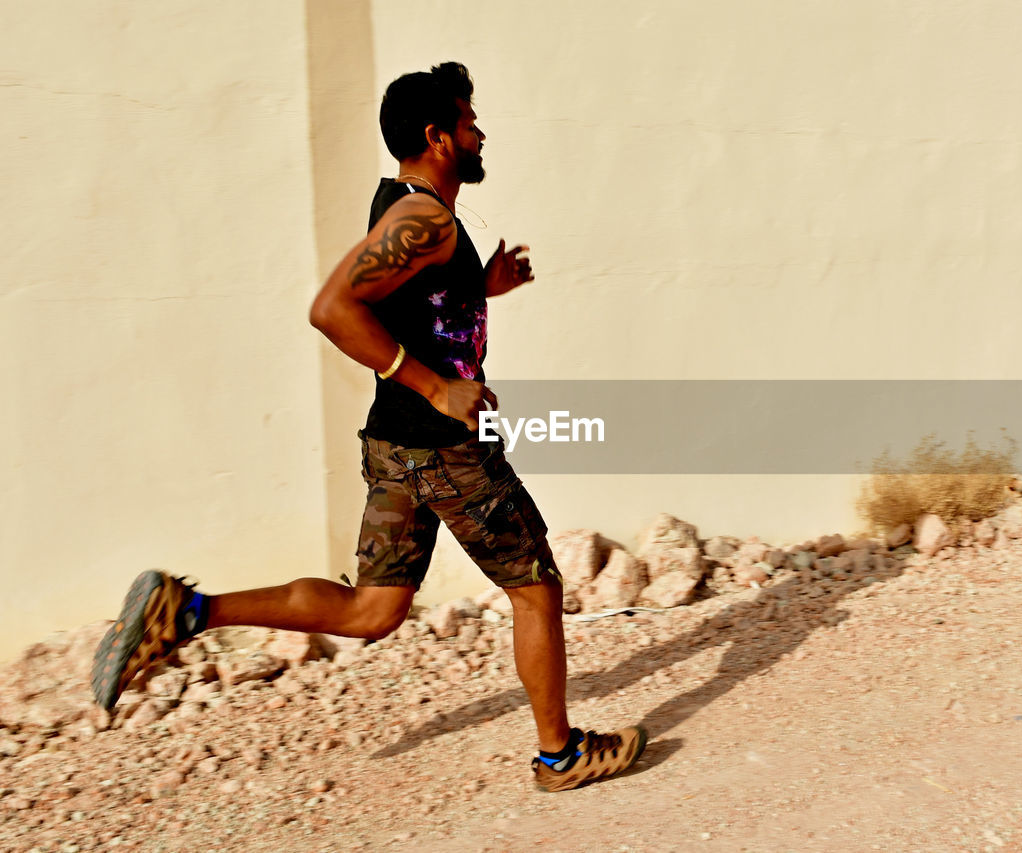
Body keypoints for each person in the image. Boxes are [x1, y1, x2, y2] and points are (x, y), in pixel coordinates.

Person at [90, 62, 645, 793]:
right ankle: (559, 752)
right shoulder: (424, 220)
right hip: (445, 448)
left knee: (373, 608)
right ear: (437, 136)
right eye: (469, 119)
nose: (480, 132)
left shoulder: (409, 211)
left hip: (396, 447)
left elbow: (413, 300)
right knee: (535, 586)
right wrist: (436, 386)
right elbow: (332, 310)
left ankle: (187, 608)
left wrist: (484, 285)